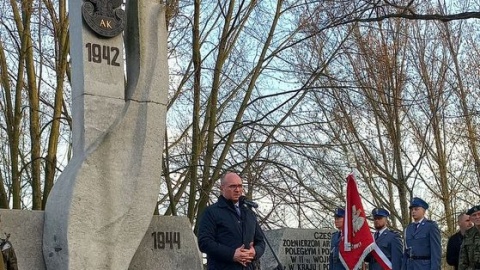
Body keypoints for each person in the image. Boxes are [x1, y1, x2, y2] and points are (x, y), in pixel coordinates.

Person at [197, 172, 266, 270]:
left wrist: (254, 252)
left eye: (240, 186)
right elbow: (204, 242)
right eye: (232, 186)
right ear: (222, 188)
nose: (237, 190)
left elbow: (261, 242)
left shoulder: (249, 213)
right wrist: (232, 254)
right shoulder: (211, 212)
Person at [402, 197, 441, 270]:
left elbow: (436, 252)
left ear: (423, 211)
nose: (413, 211)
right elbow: (405, 253)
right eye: (412, 209)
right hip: (410, 266)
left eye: (416, 209)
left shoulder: (431, 226)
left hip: (425, 266)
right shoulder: (408, 229)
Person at [458, 204, 480, 270]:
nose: (477, 217)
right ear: (470, 218)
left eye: (479, 214)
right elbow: (463, 259)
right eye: (474, 215)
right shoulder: (468, 234)